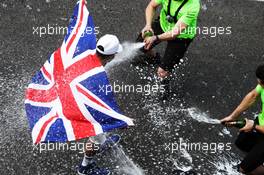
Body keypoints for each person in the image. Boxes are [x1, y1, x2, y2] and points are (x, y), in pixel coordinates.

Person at [77, 34, 124, 175]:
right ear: (111, 56)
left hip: (79, 98)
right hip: (84, 106)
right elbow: (101, 106)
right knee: (96, 133)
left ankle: (101, 143)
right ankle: (85, 167)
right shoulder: (98, 78)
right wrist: (120, 121)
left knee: (99, 132)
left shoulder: (87, 55)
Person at [137, 0, 200, 79]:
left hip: (181, 36)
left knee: (162, 71)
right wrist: (148, 25)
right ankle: (153, 58)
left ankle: (165, 85)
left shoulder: (193, 6)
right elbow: (152, 6)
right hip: (163, 24)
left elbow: (174, 33)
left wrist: (155, 38)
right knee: (142, 45)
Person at [221, 64, 264, 175]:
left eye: (262, 83)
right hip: (261, 125)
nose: (259, 85)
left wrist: (254, 126)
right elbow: (253, 95)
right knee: (242, 142)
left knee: (243, 169)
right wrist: (232, 117)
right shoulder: (262, 85)